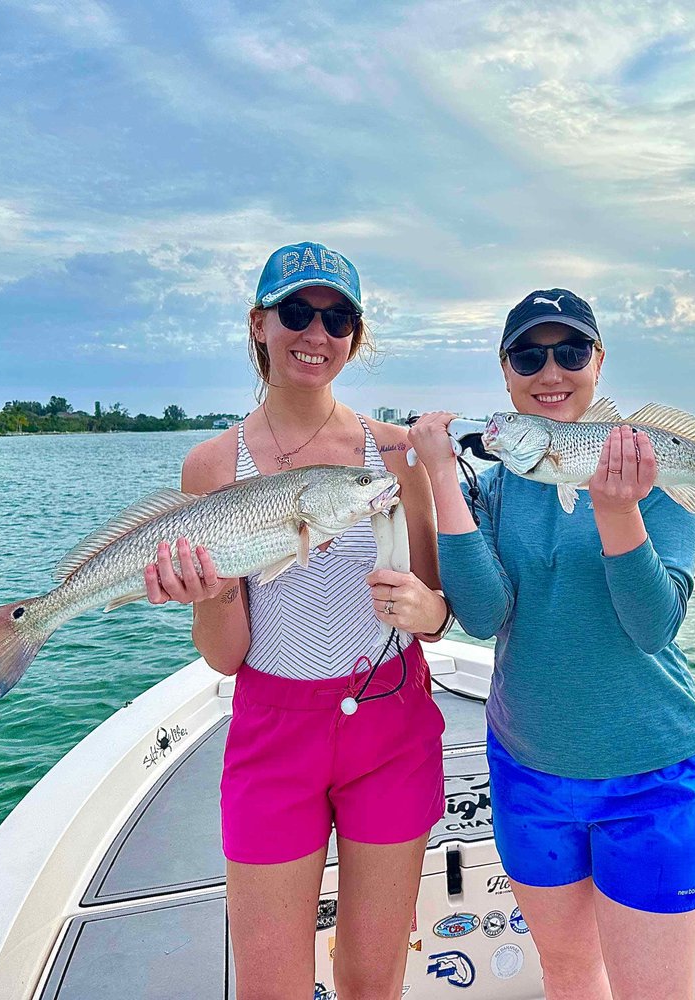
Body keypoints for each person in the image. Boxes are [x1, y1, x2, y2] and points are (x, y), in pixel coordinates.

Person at [143, 242, 453, 1000]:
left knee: (371, 977)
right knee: (268, 984)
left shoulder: (397, 453)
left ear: (355, 335)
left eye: (337, 317)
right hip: (272, 730)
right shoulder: (212, 466)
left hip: (391, 719)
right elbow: (225, 659)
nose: (317, 334)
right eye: (297, 312)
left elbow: (442, 609)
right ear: (258, 323)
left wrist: (430, 612)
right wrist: (213, 592)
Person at [409, 288, 695, 1000]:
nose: (550, 371)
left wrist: (617, 510)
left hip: (652, 771)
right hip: (530, 770)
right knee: (569, 975)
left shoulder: (653, 473)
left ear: (597, 361)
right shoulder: (493, 487)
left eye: (570, 351)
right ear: (506, 371)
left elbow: (653, 626)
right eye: (529, 354)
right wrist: (439, 484)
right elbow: (482, 616)